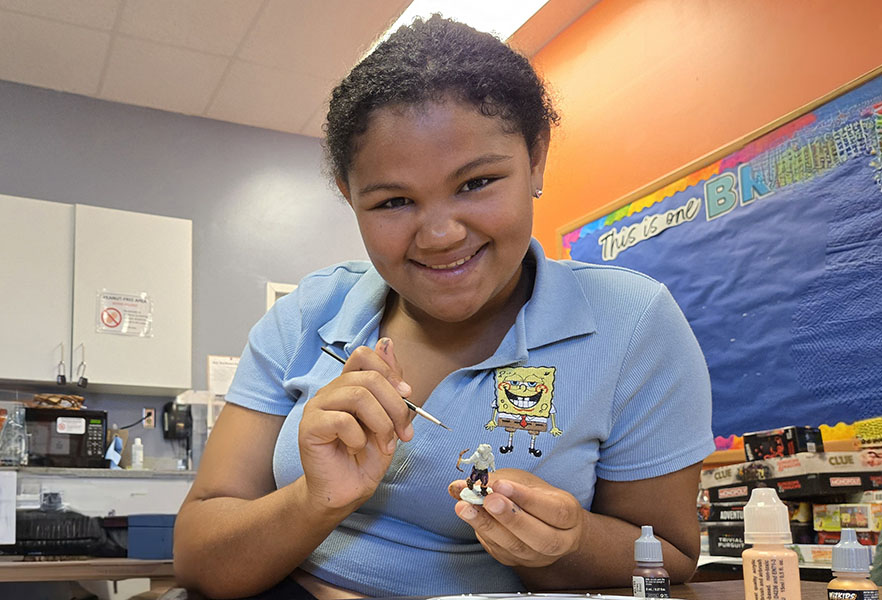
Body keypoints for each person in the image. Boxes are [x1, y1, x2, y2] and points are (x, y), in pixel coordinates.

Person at [173, 15, 714, 600]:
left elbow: (672, 556)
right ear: (348, 195)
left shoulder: (632, 324)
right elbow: (200, 557)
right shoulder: (310, 314)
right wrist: (313, 500)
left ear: (536, 158)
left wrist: (567, 544)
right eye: (394, 201)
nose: (439, 235)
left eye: (476, 183)